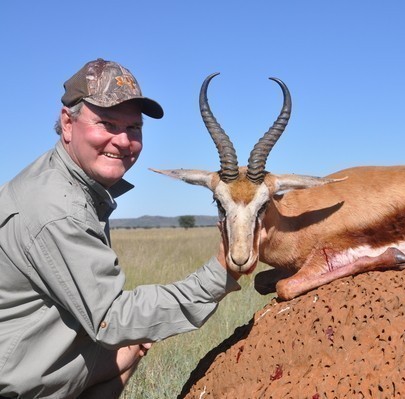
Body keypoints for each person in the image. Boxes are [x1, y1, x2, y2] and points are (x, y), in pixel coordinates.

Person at [0, 59, 241, 398]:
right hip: (18, 385)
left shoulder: (70, 182)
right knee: (130, 332)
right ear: (68, 124)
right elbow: (111, 319)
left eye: (134, 129)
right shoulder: (58, 208)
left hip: (33, 360)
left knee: (136, 342)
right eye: (107, 123)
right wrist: (220, 273)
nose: (123, 141)